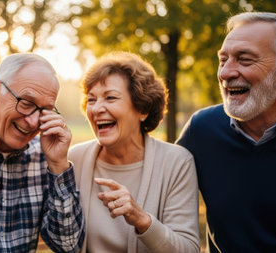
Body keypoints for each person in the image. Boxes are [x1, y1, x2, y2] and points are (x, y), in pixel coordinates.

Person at [176, 12, 276, 252]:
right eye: (223, 60)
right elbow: (156, 182)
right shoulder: (202, 129)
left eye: (245, 60)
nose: (226, 73)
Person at [0, 53, 85, 252]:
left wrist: (58, 165)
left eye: (45, 110)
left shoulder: (44, 159)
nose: (33, 121)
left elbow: (68, 246)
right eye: (26, 103)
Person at [68, 51, 200, 253]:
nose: (97, 109)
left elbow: (188, 249)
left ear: (143, 109)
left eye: (110, 97)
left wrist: (142, 220)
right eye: (92, 100)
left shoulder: (176, 162)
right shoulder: (74, 159)